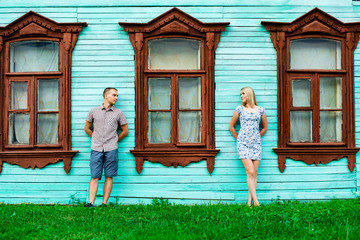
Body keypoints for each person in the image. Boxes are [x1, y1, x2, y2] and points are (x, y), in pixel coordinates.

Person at [84, 87, 128, 207]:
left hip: (111, 148)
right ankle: (91, 202)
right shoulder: (94, 111)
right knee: (94, 176)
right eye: (114, 95)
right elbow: (87, 128)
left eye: (117, 95)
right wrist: (95, 138)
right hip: (96, 148)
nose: (116, 98)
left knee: (109, 175)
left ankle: (104, 203)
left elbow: (125, 131)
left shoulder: (119, 113)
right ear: (106, 96)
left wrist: (114, 140)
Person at [229, 87, 267, 207]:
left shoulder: (260, 110)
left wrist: (257, 137)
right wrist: (239, 138)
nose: (241, 96)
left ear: (249, 95)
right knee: (250, 172)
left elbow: (265, 127)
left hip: (256, 144)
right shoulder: (239, 109)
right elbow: (231, 126)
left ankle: (249, 202)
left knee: (254, 173)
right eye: (240, 94)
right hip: (243, 144)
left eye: (243, 94)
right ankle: (256, 202)